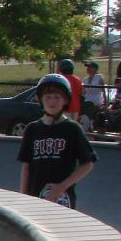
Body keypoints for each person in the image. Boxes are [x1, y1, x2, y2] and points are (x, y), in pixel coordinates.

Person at [17, 73, 96, 209]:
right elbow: (26, 166)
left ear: (65, 100)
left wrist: (61, 187)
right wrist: (23, 196)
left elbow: (88, 164)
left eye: (57, 97)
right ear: (40, 100)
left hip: (63, 198)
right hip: (35, 197)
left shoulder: (72, 129)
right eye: (48, 97)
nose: (52, 102)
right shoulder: (32, 129)